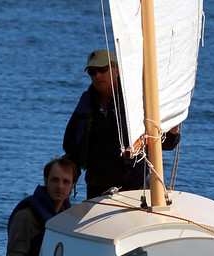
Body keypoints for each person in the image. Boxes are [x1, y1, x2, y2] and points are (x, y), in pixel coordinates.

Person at [63, 49, 180, 199]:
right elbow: (72, 145)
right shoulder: (87, 101)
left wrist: (173, 130)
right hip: (96, 188)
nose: (98, 75)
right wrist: (66, 177)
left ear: (117, 71)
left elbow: (166, 143)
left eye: (102, 69)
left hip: (134, 187)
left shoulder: (136, 101)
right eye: (92, 72)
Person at [5, 157, 78, 256]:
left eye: (66, 182)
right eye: (55, 180)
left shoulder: (68, 216)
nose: (60, 186)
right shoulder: (25, 216)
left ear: (73, 186)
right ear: (45, 180)